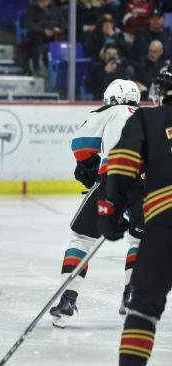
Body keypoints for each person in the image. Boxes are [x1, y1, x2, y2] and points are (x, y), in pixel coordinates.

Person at [50, 80, 144, 328]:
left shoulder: (109, 111)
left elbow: (81, 146)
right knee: (138, 240)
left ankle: (67, 300)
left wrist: (89, 168)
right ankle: (132, 296)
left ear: (113, 99)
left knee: (81, 237)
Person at [97, 67, 172, 365]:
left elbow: (120, 164)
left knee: (143, 306)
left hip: (165, 223)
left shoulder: (147, 118)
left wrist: (108, 212)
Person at [24, 0, 66, 73]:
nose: (43, 3)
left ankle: (56, 68)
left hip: (54, 34)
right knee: (35, 38)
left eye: (45, 1)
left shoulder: (55, 9)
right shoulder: (32, 9)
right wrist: (43, 31)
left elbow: (63, 24)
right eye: (41, 1)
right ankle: (37, 66)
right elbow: (29, 23)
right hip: (38, 35)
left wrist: (57, 30)